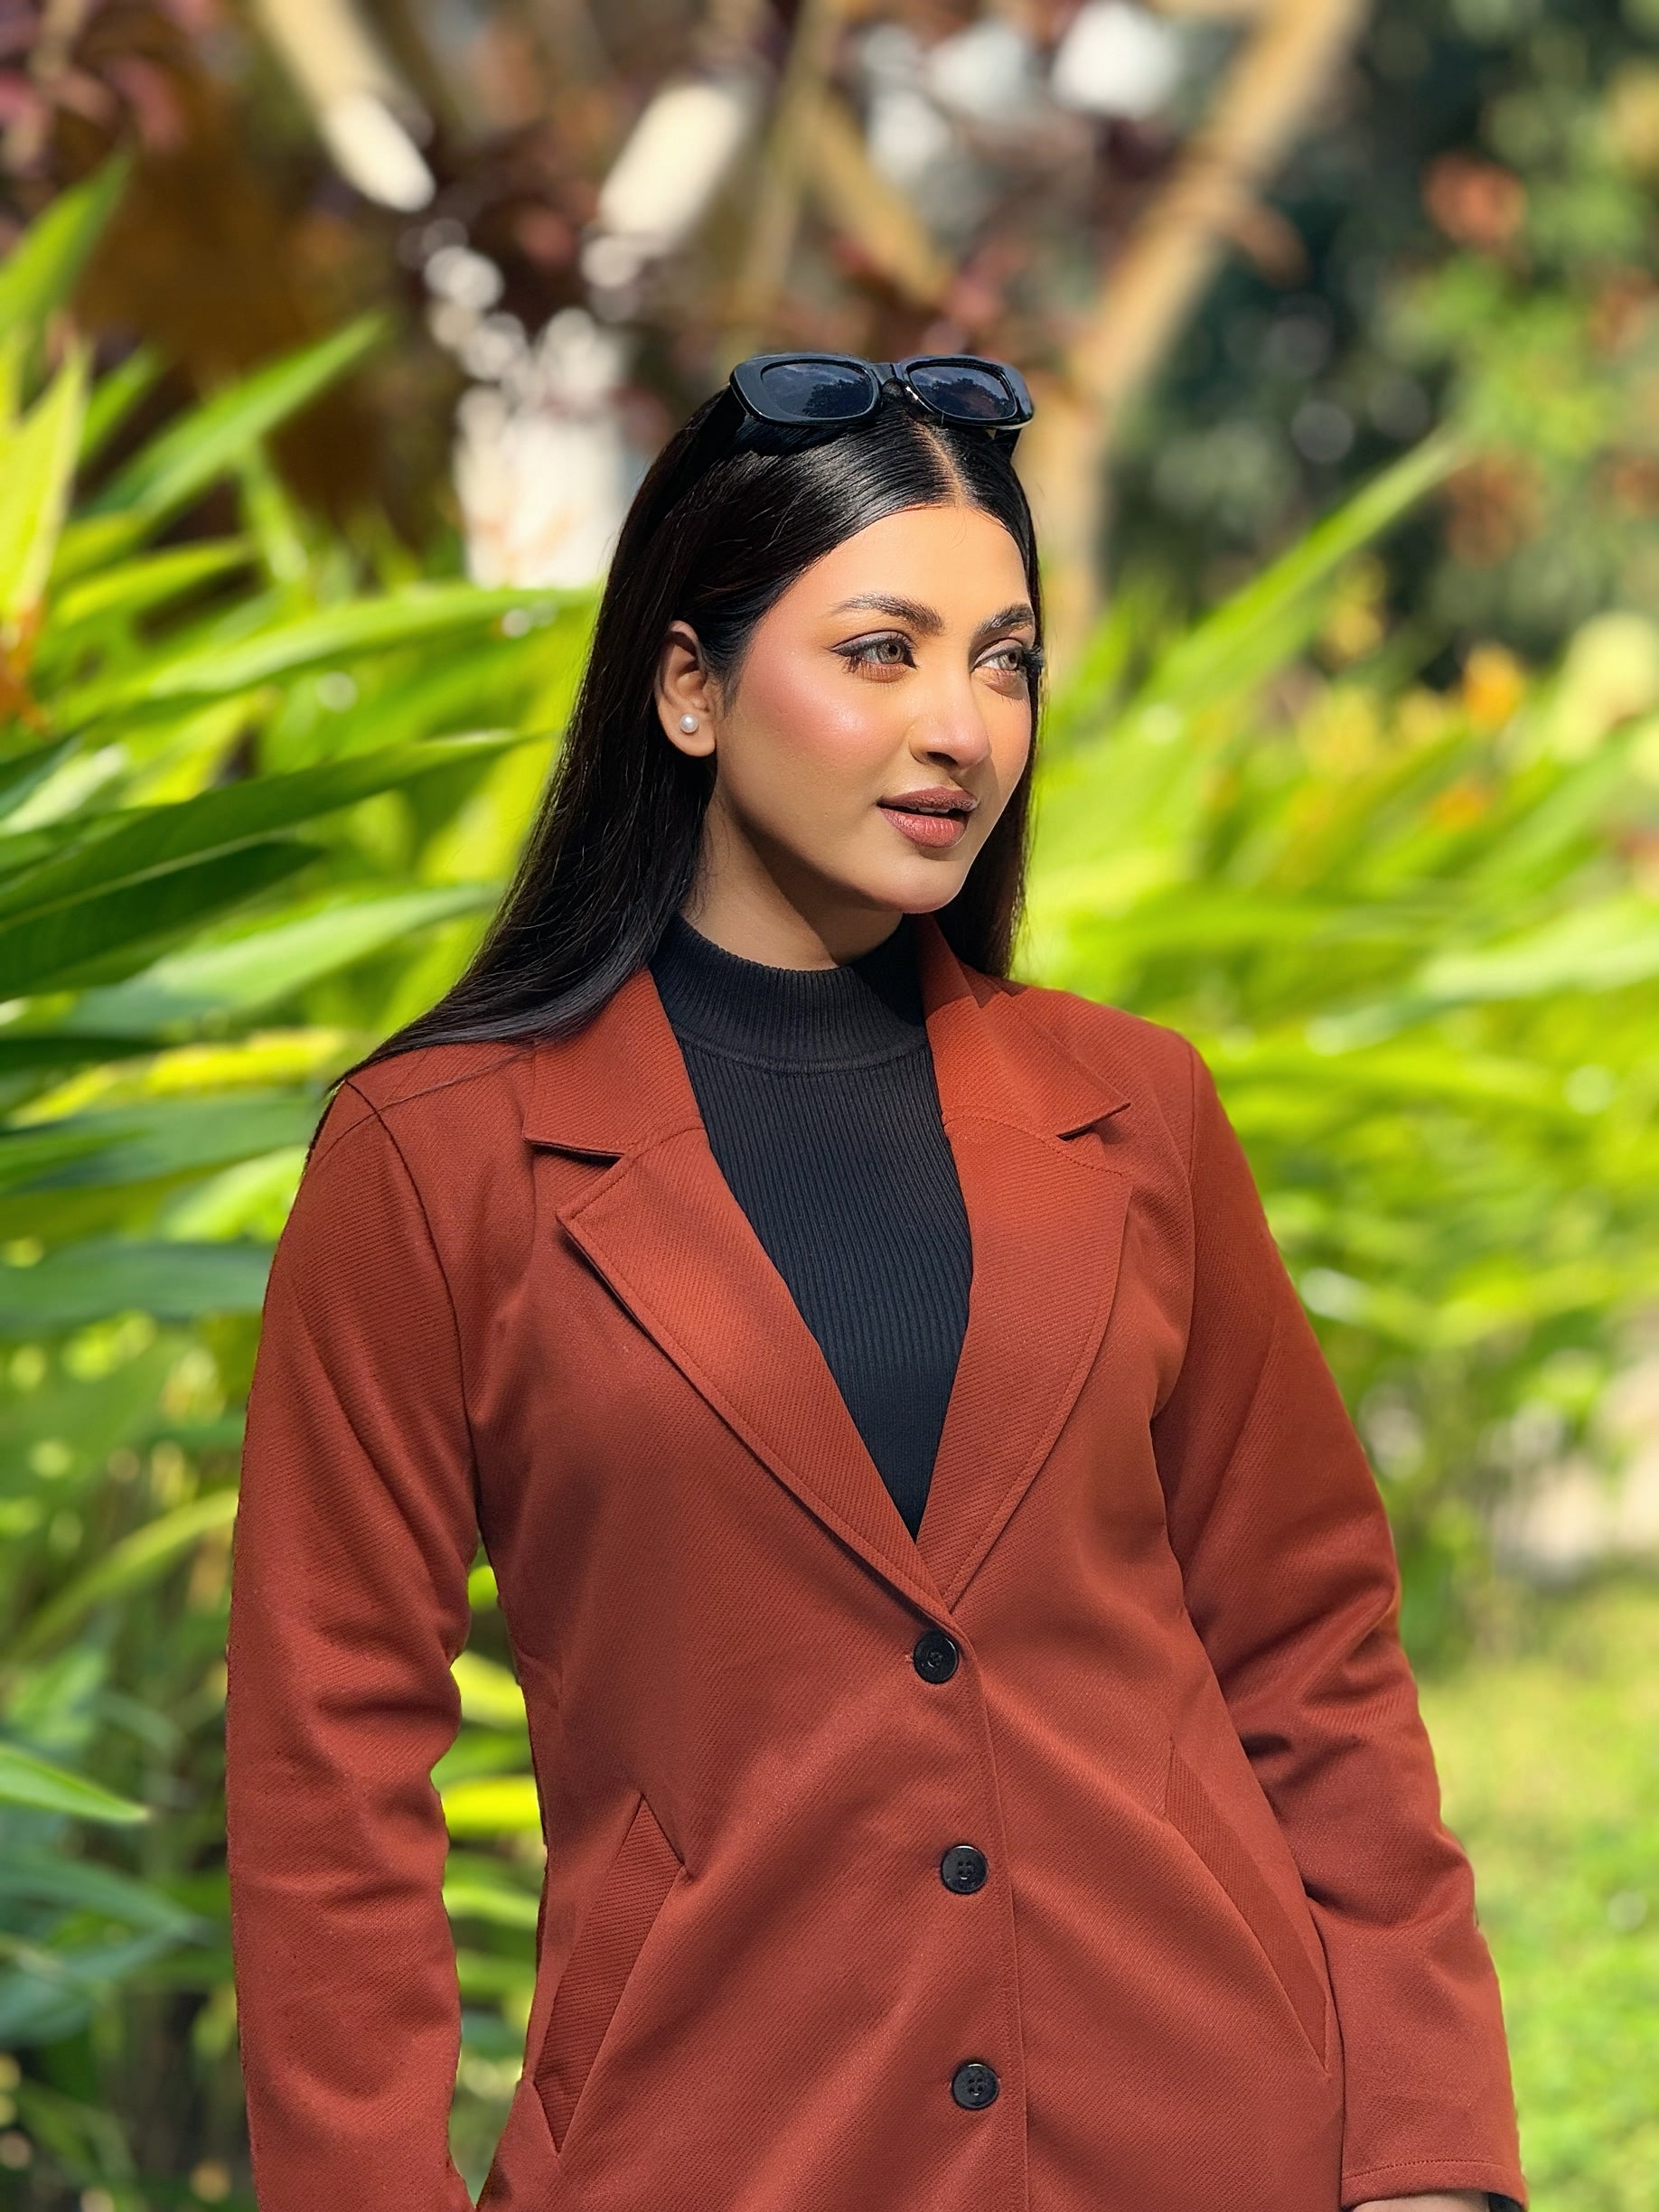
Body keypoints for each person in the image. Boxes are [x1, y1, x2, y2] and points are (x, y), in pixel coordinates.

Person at [223, 352, 1528, 2212]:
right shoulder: (438, 1161)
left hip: (1213, 2134)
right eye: (880, 650)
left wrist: (1427, 2149)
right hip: (721, 2152)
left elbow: (1313, 1648)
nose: (963, 727)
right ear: (688, 685)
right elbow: (322, 1777)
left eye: (1004, 660)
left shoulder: (1134, 1112)